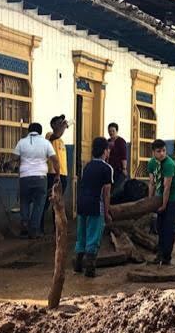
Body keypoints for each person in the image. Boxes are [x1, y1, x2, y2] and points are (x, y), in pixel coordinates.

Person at [74, 136, 114, 278]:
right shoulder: (107, 168)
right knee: (93, 236)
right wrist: (107, 212)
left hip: (81, 204)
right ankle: (90, 269)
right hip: (95, 205)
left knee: (81, 234)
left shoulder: (87, 166)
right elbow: (106, 193)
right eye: (108, 150)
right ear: (105, 151)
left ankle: (78, 265)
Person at [15, 123, 59, 239]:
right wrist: (58, 174)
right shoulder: (46, 143)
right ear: (40, 131)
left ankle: (24, 223)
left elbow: (15, 158)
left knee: (24, 200)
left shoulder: (21, 142)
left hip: (25, 177)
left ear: (29, 130)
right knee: (39, 204)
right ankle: (34, 230)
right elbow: (55, 160)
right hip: (40, 177)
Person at [147, 139, 175, 265]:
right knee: (160, 227)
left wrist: (164, 205)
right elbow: (151, 183)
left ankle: (166, 257)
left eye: (163, 151)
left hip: (173, 197)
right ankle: (160, 254)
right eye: (158, 151)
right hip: (160, 195)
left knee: (169, 227)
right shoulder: (151, 163)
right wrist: (149, 201)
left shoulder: (169, 164)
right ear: (153, 152)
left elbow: (167, 187)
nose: (162, 153)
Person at [42, 115, 69, 234]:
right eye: (59, 122)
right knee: (48, 201)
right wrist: (63, 126)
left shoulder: (61, 141)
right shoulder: (49, 136)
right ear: (53, 125)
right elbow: (56, 134)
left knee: (58, 202)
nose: (62, 124)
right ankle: (39, 226)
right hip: (53, 174)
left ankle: (56, 227)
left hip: (63, 174)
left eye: (62, 122)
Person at [107, 122, 128, 200]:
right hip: (109, 169)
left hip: (118, 169)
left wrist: (124, 168)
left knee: (116, 189)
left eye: (113, 131)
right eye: (109, 131)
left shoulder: (121, 141)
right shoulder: (108, 141)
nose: (111, 133)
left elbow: (123, 156)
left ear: (116, 131)